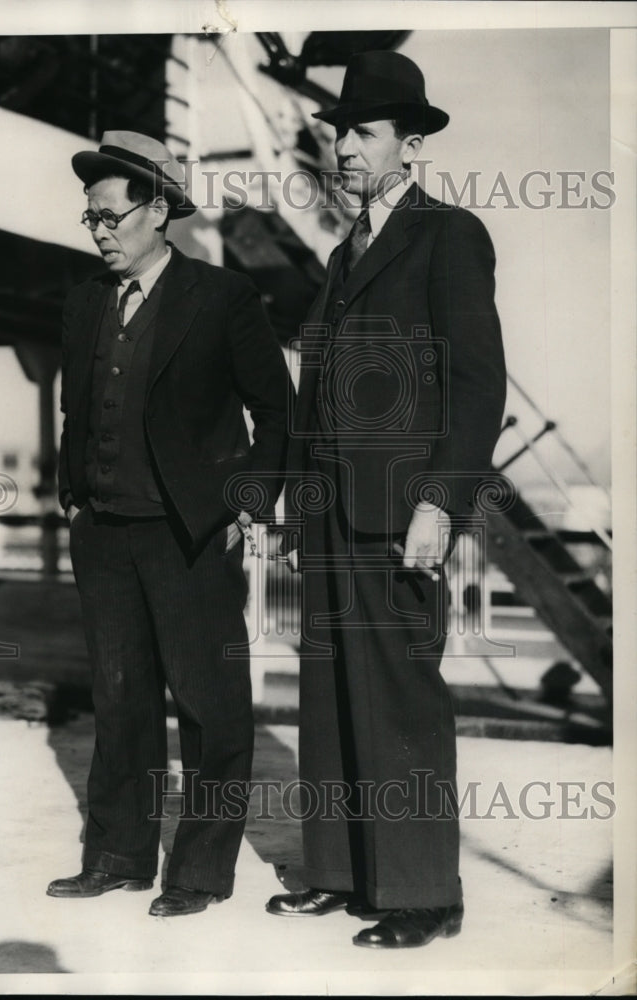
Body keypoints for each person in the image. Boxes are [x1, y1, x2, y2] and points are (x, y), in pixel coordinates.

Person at [266, 51, 506, 947]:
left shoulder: (447, 235)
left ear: (409, 145)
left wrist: (440, 503)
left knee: (399, 697)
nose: (343, 147)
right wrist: (295, 512)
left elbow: (477, 384)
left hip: (399, 508)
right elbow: (310, 391)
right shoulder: (341, 252)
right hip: (329, 509)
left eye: (362, 132)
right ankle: (335, 871)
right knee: (327, 693)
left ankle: (418, 896)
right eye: (336, 132)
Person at [50, 130, 291, 917]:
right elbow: (76, 404)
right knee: (119, 700)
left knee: (207, 704)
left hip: (189, 533)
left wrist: (243, 507)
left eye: (111, 217)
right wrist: (73, 489)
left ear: (158, 211)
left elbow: (276, 414)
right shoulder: (86, 298)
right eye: (90, 220)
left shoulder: (222, 299)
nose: (99, 231)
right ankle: (117, 855)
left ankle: (197, 873)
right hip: (105, 531)